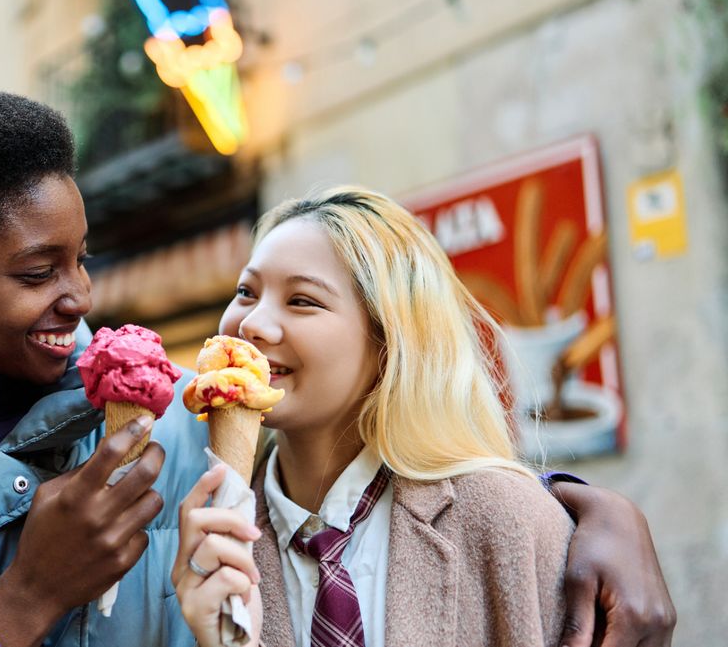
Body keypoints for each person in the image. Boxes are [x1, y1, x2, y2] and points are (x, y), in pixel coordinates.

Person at [0, 89, 673, 647]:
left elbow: (365, 469)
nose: (81, 295)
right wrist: (25, 600)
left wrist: (574, 512)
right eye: (40, 271)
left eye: (83, 258)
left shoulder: (168, 423)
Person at [171, 187, 674, 647]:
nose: (251, 323)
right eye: (246, 292)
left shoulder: (510, 519)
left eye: (302, 300)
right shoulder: (204, 539)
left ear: (388, 340)